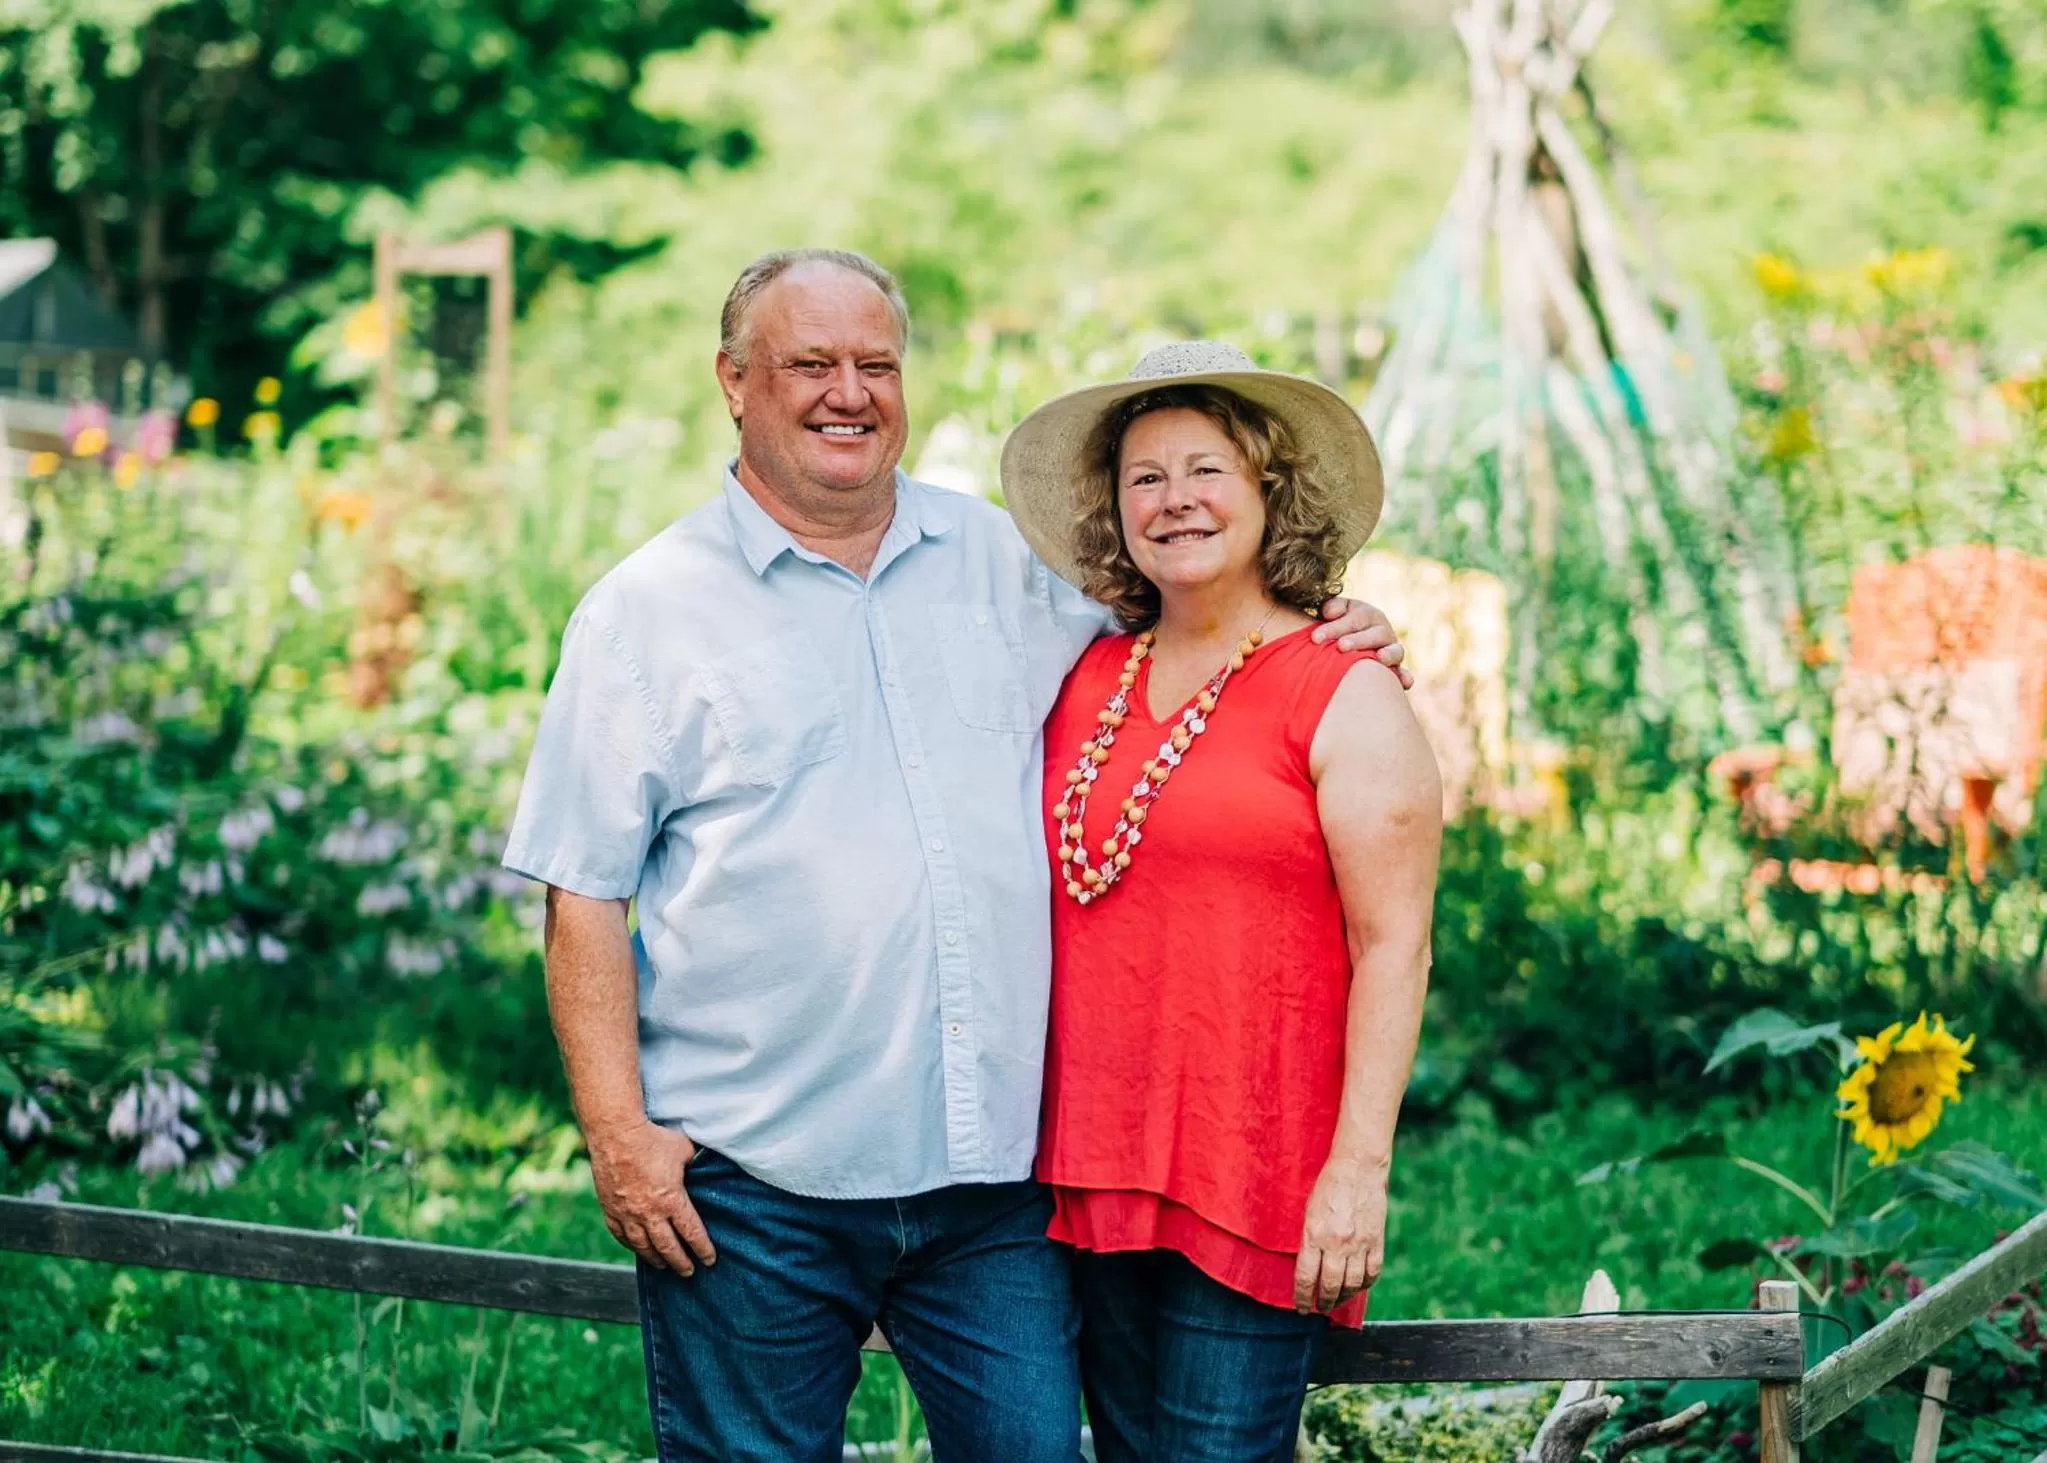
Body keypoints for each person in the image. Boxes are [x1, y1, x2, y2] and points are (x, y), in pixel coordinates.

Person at [501, 250, 1407, 1462]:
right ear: (732, 381)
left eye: (875, 363)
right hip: (752, 1182)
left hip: (991, 1191)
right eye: (809, 364)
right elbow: (584, 891)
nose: (848, 391)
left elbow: (1204, 618)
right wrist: (618, 1131)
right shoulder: (646, 614)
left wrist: (1345, 628)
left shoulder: (1006, 568)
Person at [1002, 342, 1443, 1462]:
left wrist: (1358, 1170)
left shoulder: (1342, 686)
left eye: (1207, 470)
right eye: (1144, 476)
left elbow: (1395, 945)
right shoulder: (1084, 673)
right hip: (1084, 1165)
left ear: (1267, 492)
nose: (1175, 500)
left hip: (1252, 1169)